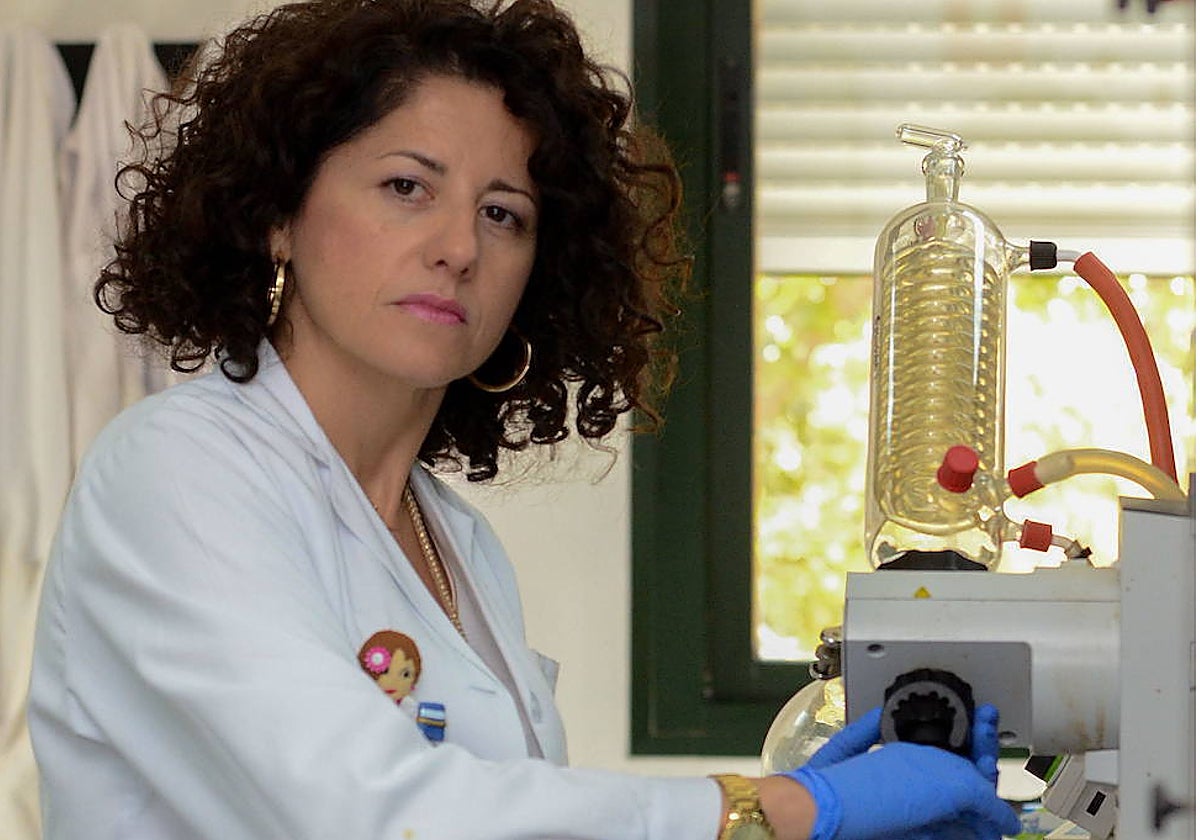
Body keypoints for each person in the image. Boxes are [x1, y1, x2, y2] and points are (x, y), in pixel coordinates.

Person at [27, 1, 1023, 839]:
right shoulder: (175, 471)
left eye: (503, 213)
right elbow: (372, 814)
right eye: (406, 187)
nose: (457, 247)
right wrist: (778, 810)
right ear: (279, 211)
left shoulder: (456, 543)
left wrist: (807, 809)